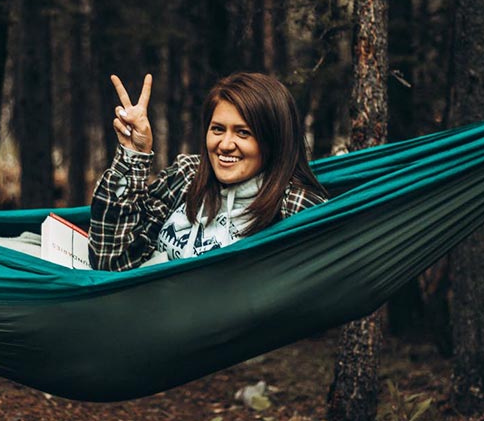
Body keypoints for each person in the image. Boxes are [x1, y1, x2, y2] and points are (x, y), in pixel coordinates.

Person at [89, 72, 328, 272]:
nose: (224, 144)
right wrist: (135, 155)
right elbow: (111, 260)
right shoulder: (187, 176)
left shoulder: (294, 207)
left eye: (243, 132)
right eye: (217, 129)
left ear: (273, 140)